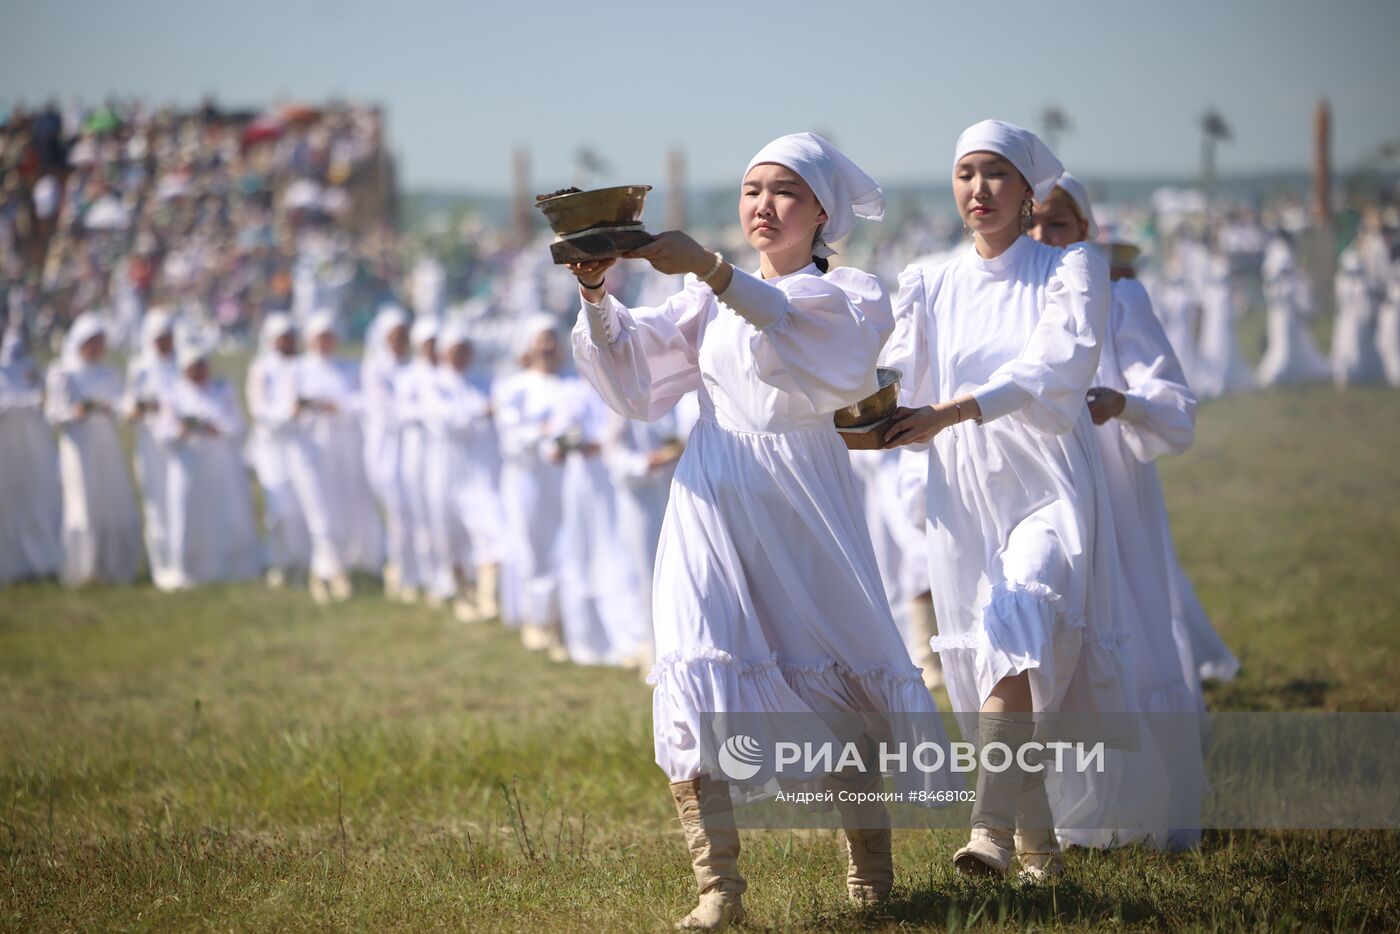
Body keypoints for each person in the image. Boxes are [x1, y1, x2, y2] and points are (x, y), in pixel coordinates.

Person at [571, 132, 955, 928]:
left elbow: (814, 340)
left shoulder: (849, 292)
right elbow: (639, 375)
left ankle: (871, 875)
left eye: (783, 191)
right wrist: (597, 294)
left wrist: (712, 266)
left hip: (802, 494)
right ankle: (719, 889)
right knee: (691, 660)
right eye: (752, 191)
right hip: (712, 489)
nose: (763, 206)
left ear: (821, 211)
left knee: (837, 671)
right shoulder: (707, 300)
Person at [882, 121, 1131, 880]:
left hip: (1048, 478)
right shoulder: (927, 278)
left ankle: (987, 828)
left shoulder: (1072, 267)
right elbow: (898, 374)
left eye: (995, 174)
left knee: (1018, 620)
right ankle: (1040, 848)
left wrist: (952, 411)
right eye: (965, 173)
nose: (978, 189)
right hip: (962, 491)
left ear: (1029, 191)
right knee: (997, 658)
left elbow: (1057, 367)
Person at [1030, 174, 1207, 850]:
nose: (1046, 238)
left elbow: (1173, 400)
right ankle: (1068, 807)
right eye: (1035, 225)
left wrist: (1122, 403)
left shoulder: (1120, 298)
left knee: (1124, 619)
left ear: (1086, 233)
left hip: (1112, 481)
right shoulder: (1014, 299)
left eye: (1061, 226)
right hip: (1042, 490)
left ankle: (1143, 803)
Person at [289, 311, 384, 602]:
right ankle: (329, 572)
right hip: (310, 450)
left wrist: (337, 406)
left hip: (344, 448)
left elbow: (364, 402)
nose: (325, 343)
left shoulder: (348, 368)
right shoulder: (297, 370)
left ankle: (335, 568)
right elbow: (283, 409)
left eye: (329, 337)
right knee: (321, 512)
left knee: (344, 509)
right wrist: (303, 408)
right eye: (320, 337)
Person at [154, 336, 261, 589]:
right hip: (188, 466)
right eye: (194, 367)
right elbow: (163, 434)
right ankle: (191, 568)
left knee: (226, 513)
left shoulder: (222, 390)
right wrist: (185, 430)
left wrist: (217, 429)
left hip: (221, 466)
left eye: (202, 365)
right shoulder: (173, 395)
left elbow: (238, 426)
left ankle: (230, 565)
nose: (200, 372)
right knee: (189, 515)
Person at [45, 313, 143, 585]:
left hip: (105, 443)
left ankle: (113, 562)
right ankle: (82, 565)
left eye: (101, 341)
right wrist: (77, 411)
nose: (99, 347)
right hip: (78, 445)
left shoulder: (107, 371)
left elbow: (119, 401)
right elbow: (54, 412)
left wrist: (127, 409)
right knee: (83, 502)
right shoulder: (62, 371)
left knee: (111, 499)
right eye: (95, 341)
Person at [493, 316, 569, 661]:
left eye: (553, 338)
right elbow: (512, 438)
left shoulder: (572, 382)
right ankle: (536, 619)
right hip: (528, 478)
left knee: (566, 544)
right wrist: (543, 432)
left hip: (566, 478)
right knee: (533, 544)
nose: (549, 346)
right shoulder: (513, 387)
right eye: (543, 339)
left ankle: (563, 619)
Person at [425, 320, 504, 622]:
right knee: (451, 537)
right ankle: (463, 594)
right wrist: (480, 412)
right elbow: (444, 420)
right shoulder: (434, 384)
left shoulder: (484, 380)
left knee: (491, 529)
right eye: (455, 350)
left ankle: (488, 598)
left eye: (464, 350)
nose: (460, 356)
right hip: (446, 471)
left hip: (481, 471)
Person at [245, 313, 312, 586]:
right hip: (272, 447)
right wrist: (288, 414)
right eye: (283, 338)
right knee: (277, 507)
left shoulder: (302, 365)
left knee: (302, 504)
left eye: (291, 337)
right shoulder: (261, 368)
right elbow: (259, 409)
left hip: (302, 445)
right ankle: (277, 561)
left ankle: (304, 560)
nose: (288, 342)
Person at [0, 316, 64, 584]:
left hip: (36, 450)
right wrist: (31, 401)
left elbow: (48, 402)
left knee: (40, 499)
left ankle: (44, 559)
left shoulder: (33, 370)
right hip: (8, 450)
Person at [123, 310, 181, 589]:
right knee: (157, 502)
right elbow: (130, 406)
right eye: (160, 338)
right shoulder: (140, 367)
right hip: (150, 444)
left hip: (180, 445)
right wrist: (145, 408)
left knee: (179, 499)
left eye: (168, 337)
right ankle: (162, 566)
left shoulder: (181, 363)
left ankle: (184, 559)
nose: (165, 342)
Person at [361, 305, 415, 599]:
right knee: (397, 514)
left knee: (414, 513)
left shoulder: (411, 365)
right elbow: (387, 410)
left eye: (402, 334)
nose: (399, 340)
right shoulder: (375, 368)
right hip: (387, 450)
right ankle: (399, 572)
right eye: (393, 335)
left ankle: (417, 573)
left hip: (412, 448)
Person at [395, 315, 444, 606]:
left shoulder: (445, 374)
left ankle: (446, 575)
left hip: (441, 454)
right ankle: (425, 577)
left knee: (440, 515)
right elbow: (405, 412)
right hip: (418, 452)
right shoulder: (409, 376)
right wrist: (431, 414)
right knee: (421, 516)